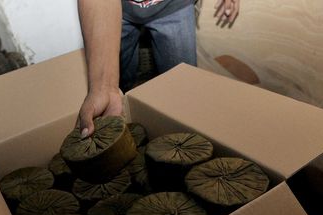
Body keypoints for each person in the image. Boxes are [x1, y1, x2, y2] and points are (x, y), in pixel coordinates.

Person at [77, 0, 240, 138]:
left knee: (185, 96)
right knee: (120, 89)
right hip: (117, 9)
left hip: (174, 5)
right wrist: (103, 87)